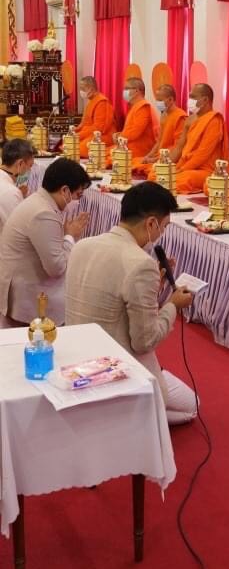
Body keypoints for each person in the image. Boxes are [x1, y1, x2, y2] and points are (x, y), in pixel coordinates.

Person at [65, 182, 197, 424]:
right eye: (164, 227)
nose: (161, 234)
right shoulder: (140, 263)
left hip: (74, 357)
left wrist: (153, 288)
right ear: (151, 223)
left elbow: (112, 298)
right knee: (191, 406)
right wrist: (173, 305)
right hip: (113, 366)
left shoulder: (82, 245)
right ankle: (132, 419)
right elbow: (144, 341)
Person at [0, 158, 90, 325]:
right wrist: (70, 237)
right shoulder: (43, 213)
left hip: (20, 287)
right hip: (28, 299)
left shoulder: (38, 201)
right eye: (78, 195)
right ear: (65, 190)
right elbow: (56, 268)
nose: (78, 202)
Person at [151, 83, 229, 193]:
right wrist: (166, 165)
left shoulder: (214, 120)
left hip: (204, 170)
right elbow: (179, 147)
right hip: (185, 164)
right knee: (155, 174)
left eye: (193, 97)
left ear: (205, 100)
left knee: (180, 180)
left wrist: (182, 169)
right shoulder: (190, 119)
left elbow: (202, 154)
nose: (189, 100)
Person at [132, 84, 188, 176]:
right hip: (160, 155)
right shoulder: (164, 115)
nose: (158, 103)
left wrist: (154, 160)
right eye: (157, 100)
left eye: (160, 100)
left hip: (170, 158)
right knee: (135, 162)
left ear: (170, 99)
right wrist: (148, 156)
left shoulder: (180, 117)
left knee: (152, 171)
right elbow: (159, 141)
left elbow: (178, 148)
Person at [109, 77, 159, 166]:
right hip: (130, 145)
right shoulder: (136, 106)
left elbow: (135, 132)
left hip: (140, 149)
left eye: (127, 88)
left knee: (110, 156)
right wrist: (119, 135)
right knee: (106, 153)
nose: (124, 91)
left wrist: (119, 136)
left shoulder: (143, 107)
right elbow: (130, 130)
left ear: (136, 91)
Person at [0, 138, 35, 230]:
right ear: (20, 164)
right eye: (30, 166)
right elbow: (20, 230)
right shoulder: (10, 192)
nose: (29, 170)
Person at [76, 76, 115, 157]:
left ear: (91, 89)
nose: (81, 91)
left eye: (83, 88)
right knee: (69, 142)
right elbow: (84, 123)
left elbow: (100, 128)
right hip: (90, 134)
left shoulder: (101, 102)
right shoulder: (91, 102)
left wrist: (80, 135)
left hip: (102, 135)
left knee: (78, 148)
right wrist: (75, 131)